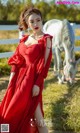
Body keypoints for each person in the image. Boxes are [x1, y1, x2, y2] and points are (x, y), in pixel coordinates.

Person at [0, 6, 53, 133]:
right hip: (17, 80)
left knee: (37, 116)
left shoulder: (46, 40)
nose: (35, 24)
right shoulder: (25, 39)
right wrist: (10, 82)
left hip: (31, 80)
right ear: (27, 23)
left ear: (42, 20)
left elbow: (45, 65)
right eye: (32, 21)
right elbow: (16, 62)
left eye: (38, 20)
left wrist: (37, 84)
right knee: (11, 112)